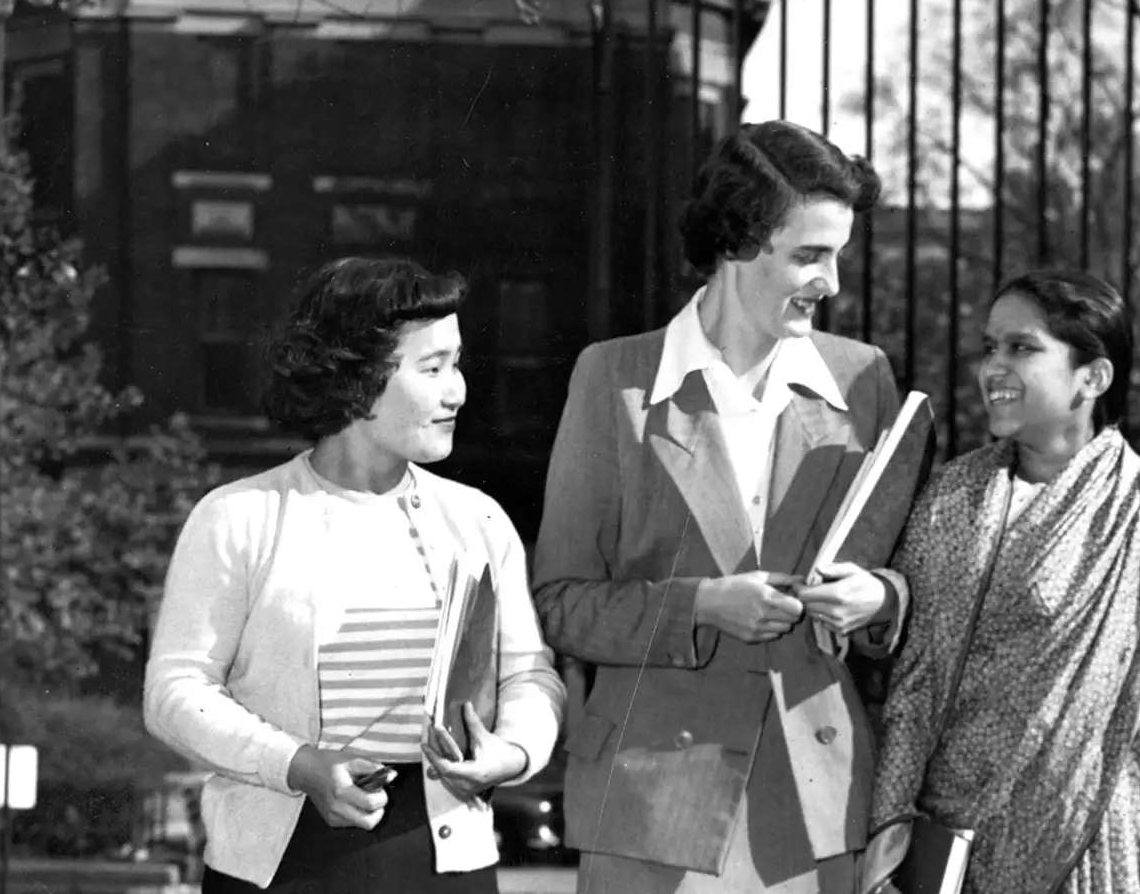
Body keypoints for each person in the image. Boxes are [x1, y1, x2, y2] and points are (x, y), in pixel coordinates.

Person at [533, 119, 911, 893]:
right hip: (652, 801)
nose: (832, 283)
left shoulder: (866, 379)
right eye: (809, 255)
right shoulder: (613, 380)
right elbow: (561, 605)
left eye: (838, 254)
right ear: (738, 242)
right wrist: (701, 606)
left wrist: (881, 598)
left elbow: (911, 580)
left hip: (817, 802)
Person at [144, 257, 565, 893]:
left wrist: (511, 752)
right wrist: (298, 765)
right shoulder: (238, 518)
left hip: (445, 864)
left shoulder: (478, 521)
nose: (459, 391)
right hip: (280, 869)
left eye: (457, 364)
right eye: (433, 368)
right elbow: (175, 692)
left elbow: (530, 675)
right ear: (361, 378)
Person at [861, 269, 1140, 894]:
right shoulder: (950, 498)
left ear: (1092, 378)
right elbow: (918, 681)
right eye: (990, 347)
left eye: (1022, 348)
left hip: (1121, 829)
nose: (994, 366)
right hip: (973, 840)